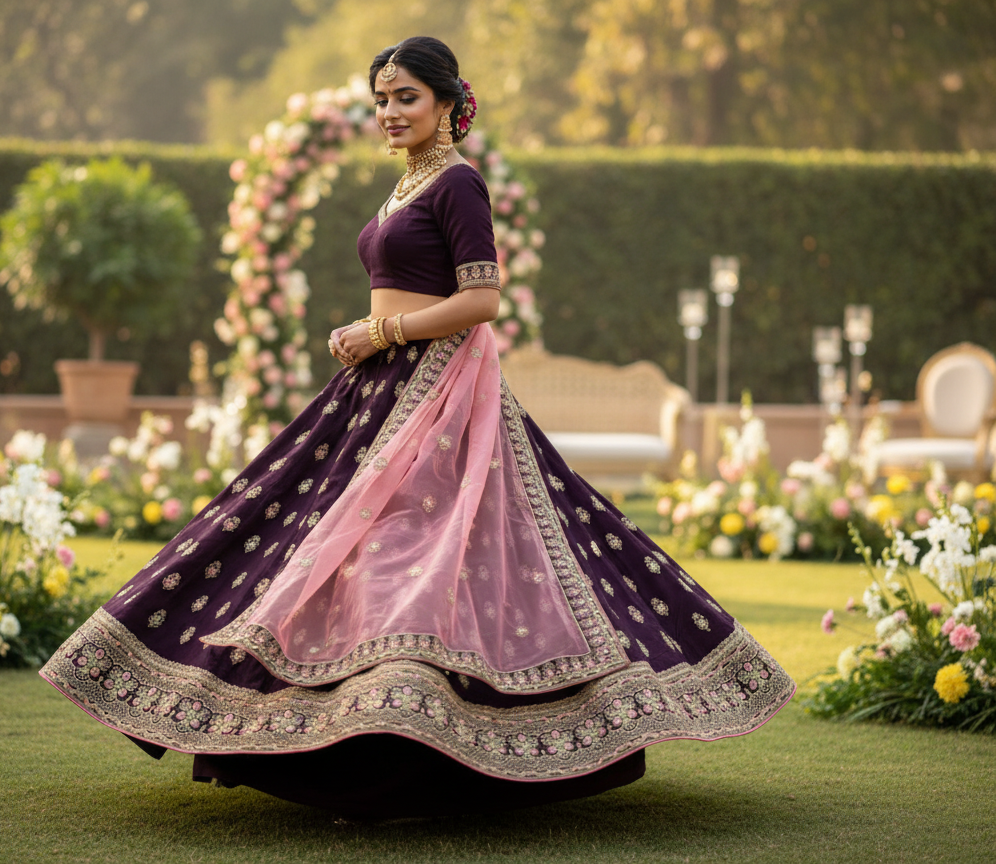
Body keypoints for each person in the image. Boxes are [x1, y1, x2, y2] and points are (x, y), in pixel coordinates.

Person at [41, 36, 794, 819]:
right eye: (380, 100)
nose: (390, 113)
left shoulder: (459, 183)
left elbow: (483, 299)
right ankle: (334, 744)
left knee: (413, 558)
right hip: (379, 386)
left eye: (405, 98)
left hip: (436, 392)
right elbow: (398, 290)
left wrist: (387, 334)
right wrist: (361, 334)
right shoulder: (409, 183)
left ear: (445, 102)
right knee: (298, 531)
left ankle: (406, 762)